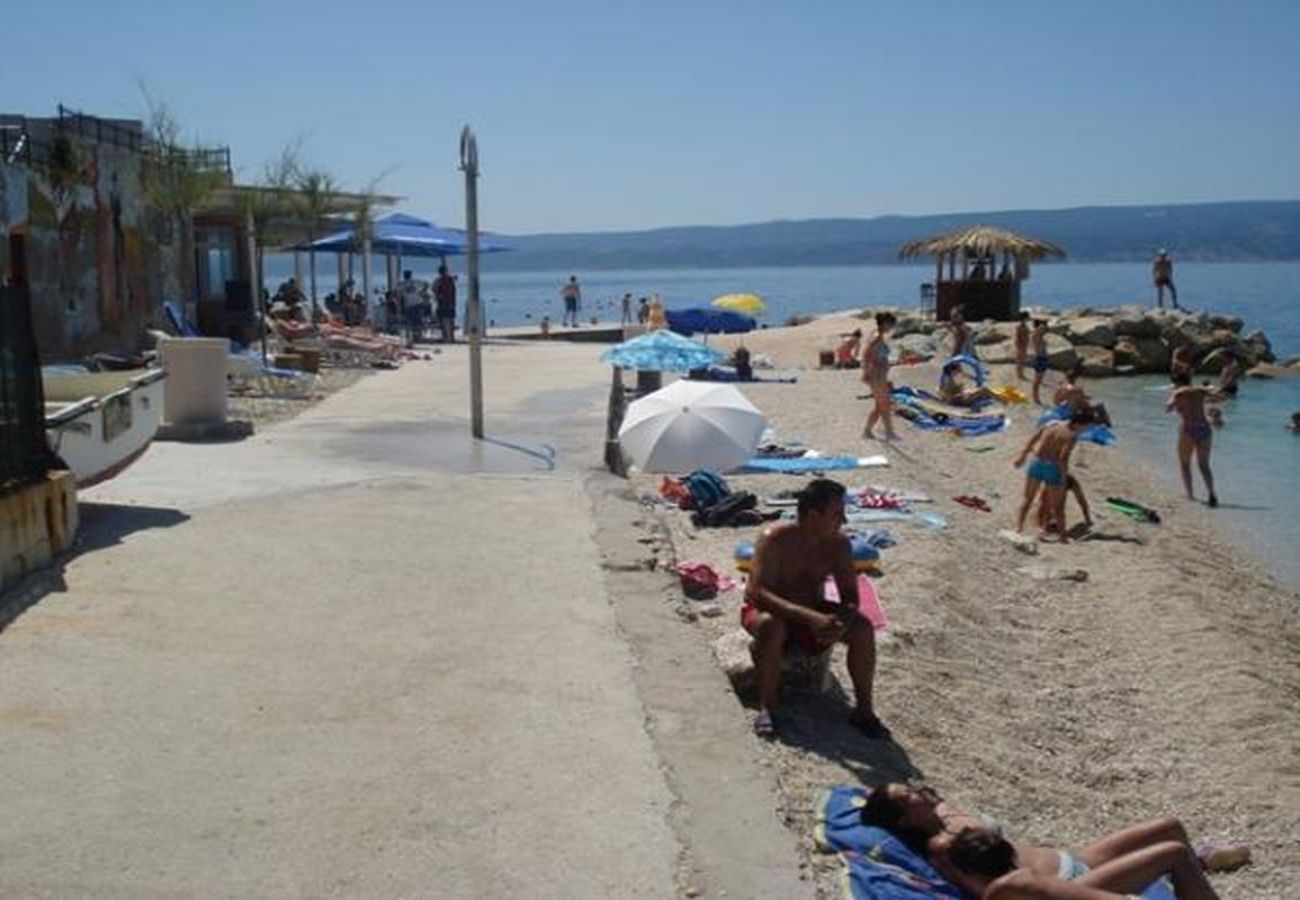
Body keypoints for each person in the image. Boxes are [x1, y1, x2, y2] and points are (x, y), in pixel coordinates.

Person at [861, 782, 1246, 899]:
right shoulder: (943, 846)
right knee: (1170, 852)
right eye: (905, 796)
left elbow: (940, 808)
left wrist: (936, 802)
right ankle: (1191, 877)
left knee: (1168, 825)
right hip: (1070, 886)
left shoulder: (943, 815)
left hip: (1074, 858)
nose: (914, 791)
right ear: (904, 818)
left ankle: (1196, 872)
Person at [741, 479, 888, 740]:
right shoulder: (775, 540)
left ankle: (864, 710)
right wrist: (811, 617)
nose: (842, 520)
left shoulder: (838, 545)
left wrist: (839, 622)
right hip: (773, 611)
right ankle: (768, 706)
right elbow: (758, 593)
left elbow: (850, 596)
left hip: (811, 610)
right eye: (836, 514)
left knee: (863, 628)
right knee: (770, 625)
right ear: (812, 515)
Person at [943, 826, 1224, 900]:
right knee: (1173, 850)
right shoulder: (1021, 881)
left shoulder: (1005, 889)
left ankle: (1194, 869)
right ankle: (1195, 869)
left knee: (1172, 848)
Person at [1014, 408, 1094, 543]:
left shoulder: (1051, 424)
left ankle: (1018, 528)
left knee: (1027, 499)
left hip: (1036, 462)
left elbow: (1034, 439)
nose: (1085, 429)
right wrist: (1063, 477)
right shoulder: (1072, 435)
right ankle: (1063, 537)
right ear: (1079, 424)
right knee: (1058, 507)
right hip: (1052, 468)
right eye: (1086, 427)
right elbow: (1063, 458)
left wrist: (1022, 456)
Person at [1166, 371, 1221, 507]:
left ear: (1175, 382)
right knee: (1204, 464)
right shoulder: (1199, 391)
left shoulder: (1178, 392)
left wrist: (1175, 400)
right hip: (1204, 429)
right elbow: (1219, 396)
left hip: (1188, 429)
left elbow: (1168, 407)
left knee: (1185, 464)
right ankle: (1211, 492)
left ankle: (1190, 495)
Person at [861, 312, 898, 441]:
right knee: (885, 404)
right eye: (891, 324)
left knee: (879, 406)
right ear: (885, 323)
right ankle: (889, 433)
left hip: (880, 374)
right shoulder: (876, 336)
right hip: (876, 375)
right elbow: (866, 355)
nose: (892, 327)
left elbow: (877, 356)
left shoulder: (878, 335)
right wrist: (866, 373)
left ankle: (867, 431)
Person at [398, 270, 424, 346]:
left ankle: (411, 337)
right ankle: (418, 336)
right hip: (418, 302)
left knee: (410, 321)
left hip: (409, 304)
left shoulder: (401, 284)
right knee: (418, 321)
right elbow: (425, 284)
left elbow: (398, 293)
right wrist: (421, 292)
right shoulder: (416, 282)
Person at [433, 264, 457, 343]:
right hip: (451, 302)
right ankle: (452, 337)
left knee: (443, 320)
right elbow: (453, 291)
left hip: (442, 302)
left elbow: (434, 290)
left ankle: (445, 337)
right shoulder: (450, 280)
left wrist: (437, 297)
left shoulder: (438, 280)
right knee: (450, 320)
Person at [1029, 319, 1050, 405]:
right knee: (1037, 381)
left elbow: (1047, 329)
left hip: (1043, 358)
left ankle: (1036, 397)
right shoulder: (1035, 336)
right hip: (1040, 358)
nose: (1044, 330)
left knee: (1039, 380)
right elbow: (1042, 328)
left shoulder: (1039, 336)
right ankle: (1035, 398)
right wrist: (1042, 323)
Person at [1013, 313, 1030, 381]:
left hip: (1024, 344)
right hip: (1021, 345)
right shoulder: (1020, 326)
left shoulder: (1025, 326)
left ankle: (1021, 373)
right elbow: (1017, 336)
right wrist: (1019, 345)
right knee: (1020, 360)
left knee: (1023, 359)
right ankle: (1019, 374)